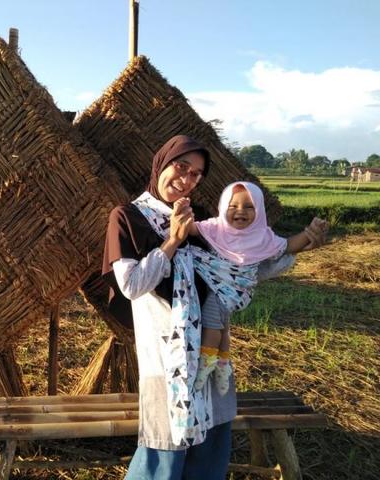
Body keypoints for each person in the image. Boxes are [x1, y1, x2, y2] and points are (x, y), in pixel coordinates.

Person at [102, 135, 326, 479]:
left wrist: (298, 248)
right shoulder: (128, 217)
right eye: (181, 167)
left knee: (210, 444)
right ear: (162, 163)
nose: (186, 179)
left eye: (196, 174)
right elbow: (132, 286)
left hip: (210, 351)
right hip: (168, 357)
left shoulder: (203, 219)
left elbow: (238, 271)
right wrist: (173, 240)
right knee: (165, 449)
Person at [188, 182, 329, 395]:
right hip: (218, 288)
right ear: (222, 206)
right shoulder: (214, 228)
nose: (240, 211)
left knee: (211, 324)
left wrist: (310, 233)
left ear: (260, 210)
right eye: (233, 205)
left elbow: (288, 245)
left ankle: (207, 363)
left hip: (235, 291)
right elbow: (190, 229)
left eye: (249, 206)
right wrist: (179, 216)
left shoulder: (263, 237)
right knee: (223, 327)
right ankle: (223, 365)